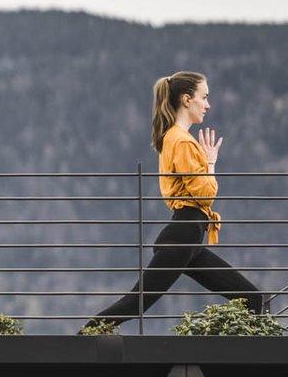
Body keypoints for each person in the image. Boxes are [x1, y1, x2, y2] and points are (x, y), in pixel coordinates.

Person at [84, 70, 264, 331]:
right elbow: (205, 193)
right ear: (186, 99)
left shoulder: (175, 138)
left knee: (251, 298)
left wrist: (207, 161)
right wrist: (211, 164)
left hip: (188, 237)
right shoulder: (181, 141)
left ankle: (249, 360)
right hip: (183, 236)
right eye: (204, 97)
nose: (208, 104)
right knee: (135, 303)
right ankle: (82, 338)